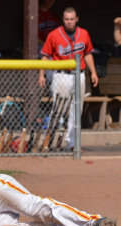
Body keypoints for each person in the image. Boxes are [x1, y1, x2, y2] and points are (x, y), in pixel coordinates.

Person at [38, 7, 99, 151]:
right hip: (61, 75)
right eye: (66, 19)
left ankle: (72, 144)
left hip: (79, 75)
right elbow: (45, 56)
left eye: (72, 19)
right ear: (63, 20)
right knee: (58, 109)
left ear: (77, 19)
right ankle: (47, 141)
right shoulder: (54, 35)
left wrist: (94, 73)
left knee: (76, 110)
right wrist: (41, 75)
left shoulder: (84, 33)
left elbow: (88, 54)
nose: (69, 22)